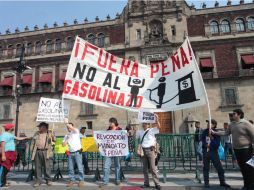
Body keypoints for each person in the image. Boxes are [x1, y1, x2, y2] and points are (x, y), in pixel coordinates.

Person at [213, 109, 254, 190]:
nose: (232, 115)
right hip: (237, 149)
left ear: (239, 115)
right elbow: (226, 133)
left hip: (246, 149)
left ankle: (251, 185)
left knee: (248, 168)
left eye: (234, 114)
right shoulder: (231, 124)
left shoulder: (246, 123)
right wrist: (215, 133)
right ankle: (246, 185)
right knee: (242, 168)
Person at [202, 119, 230, 188]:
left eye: (210, 123)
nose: (208, 124)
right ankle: (206, 183)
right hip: (206, 152)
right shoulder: (205, 131)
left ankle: (222, 182)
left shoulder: (216, 132)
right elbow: (202, 140)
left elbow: (217, 144)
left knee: (219, 168)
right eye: (208, 123)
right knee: (206, 168)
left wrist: (211, 137)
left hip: (213, 152)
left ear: (214, 125)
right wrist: (205, 145)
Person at [137, 114, 161, 190]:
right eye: (144, 123)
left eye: (146, 124)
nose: (145, 125)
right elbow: (134, 135)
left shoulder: (152, 130)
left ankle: (157, 184)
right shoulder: (140, 132)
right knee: (145, 169)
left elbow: (159, 127)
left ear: (149, 125)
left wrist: (157, 119)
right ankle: (146, 183)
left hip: (151, 150)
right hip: (143, 151)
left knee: (153, 168)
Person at [31, 122, 56, 187]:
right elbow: (33, 142)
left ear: (44, 127)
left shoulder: (50, 133)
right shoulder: (37, 133)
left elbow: (55, 141)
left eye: (40, 126)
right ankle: (38, 181)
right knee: (37, 167)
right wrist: (31, 152)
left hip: (46, 151)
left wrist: (52, 138)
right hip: (37, 151)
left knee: (47, 167)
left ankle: (48, 180)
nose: (39, 128)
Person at [99, 117, 122, 187]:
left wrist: (127, 134)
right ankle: (105, 181)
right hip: (108, 151)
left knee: (117, 166)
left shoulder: (120, 130)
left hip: (117, 151)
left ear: (114, 123)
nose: (109, 124)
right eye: (109, 122)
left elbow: (124, 138)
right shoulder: (107, 130)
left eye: (111, 122)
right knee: (106, 167)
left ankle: (117, 180)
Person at [62, 119, 84, 187]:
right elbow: (63, 144)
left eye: (70, 127)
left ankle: (81, 180)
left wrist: (66, 123)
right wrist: (67, 138)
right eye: (68, 128)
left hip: (77, 152)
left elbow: (72, 128)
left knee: (80, 167)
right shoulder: (66, 135)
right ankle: (72, 180)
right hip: (70, 153)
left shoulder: (76, 131)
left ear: (73, 127)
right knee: (70, 168)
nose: (69, 128)